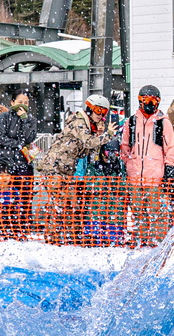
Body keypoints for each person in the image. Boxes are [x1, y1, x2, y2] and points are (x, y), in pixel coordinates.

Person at [36, 94, 118, 245]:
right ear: (90, 108)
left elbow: (87, 151)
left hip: (66, 169)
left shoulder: (88, 126)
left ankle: (63, 236)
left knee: (68, 203)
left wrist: (100, 139)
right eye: (98, 111)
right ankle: (52, 237)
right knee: (59, 202)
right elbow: (88, 143)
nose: (101, 116)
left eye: (104, 113)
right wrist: (108, 135)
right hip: (55, 167)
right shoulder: (79, 122)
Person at [121, 84, 174, 246]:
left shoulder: (162, 123)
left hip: (155, 177)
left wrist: (168, 167)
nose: (149, 103)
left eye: (153, 100)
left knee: (156, 211)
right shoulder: (131, 122)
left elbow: (171, 147)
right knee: (138, 211)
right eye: (145, 99)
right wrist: (129, 164)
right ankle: (140, 240)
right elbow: (125, 146)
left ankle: (157, 242)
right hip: (135, 176)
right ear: (139, 100)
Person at [0, 90, 38, 232]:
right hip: (6, 163)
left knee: (25, 196)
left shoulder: (31, 119)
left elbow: (30, 139)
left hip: (24, 163)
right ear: (12, 103)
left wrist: (24, 119)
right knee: (6, 196)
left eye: (26, 103)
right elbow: (1, 137)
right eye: (20, 102)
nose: (23, 105)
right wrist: (19, 143)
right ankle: (4, 226)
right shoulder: (4, 117)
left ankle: (23, 226)